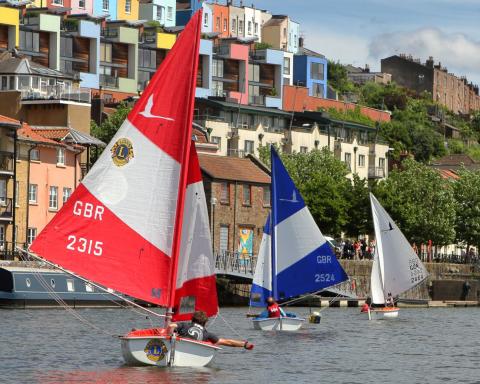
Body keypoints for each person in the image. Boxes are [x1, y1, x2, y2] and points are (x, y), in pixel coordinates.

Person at [169, 311, 254, 350]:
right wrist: (244, 344)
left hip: (177, 347)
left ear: (192, 319)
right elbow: (228, 342)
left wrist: (172, 334)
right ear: (205, 323)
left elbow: (171, 325)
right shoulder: (207, 334)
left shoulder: (184, 325)